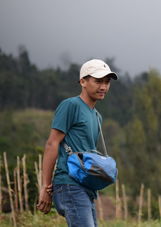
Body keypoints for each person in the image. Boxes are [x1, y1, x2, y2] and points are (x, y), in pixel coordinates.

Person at [37, 59, 118, 227]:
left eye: (107, 82)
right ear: (83, 81)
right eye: (98, 81)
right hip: (69, 185)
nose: (103, 87)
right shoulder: (70, 105)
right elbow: (52, 144)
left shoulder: (97, 116)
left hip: (87, 188)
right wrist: (45, 187)